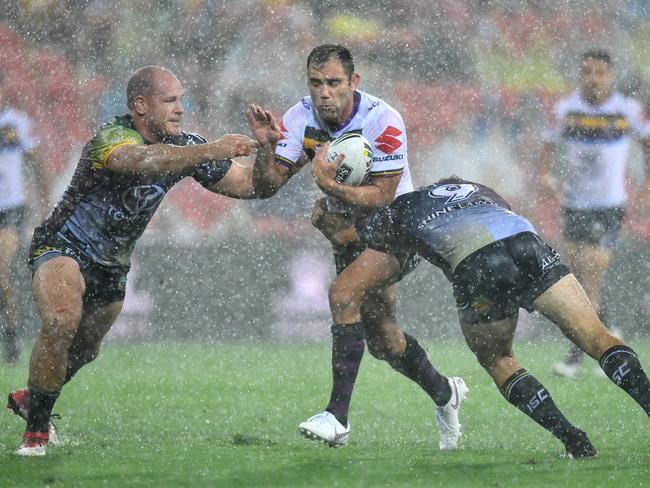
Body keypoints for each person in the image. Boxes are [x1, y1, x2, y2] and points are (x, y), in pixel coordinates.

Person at [309, 163, 650, 458]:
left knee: (499, 359)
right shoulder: (484, 191)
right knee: (597, 336)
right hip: (528, 243)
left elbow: (345, 236)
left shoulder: (406, 205)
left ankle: (574, 441)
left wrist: (326, 205)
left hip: (478, 265)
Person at [6, 66, 261, 457]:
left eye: (181, 100)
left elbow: (251, 186)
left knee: (87, 349)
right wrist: (213, 148)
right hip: (63, 244)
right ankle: (36, 434)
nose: (180, 109)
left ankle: (31, 399)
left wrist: (279, 152)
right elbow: (137, 162)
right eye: (170, 100)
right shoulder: (112, 136)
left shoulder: (185, 146)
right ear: (141, 105)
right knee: (61, 321)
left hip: (111, 264)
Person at [246, 44, 467, 450]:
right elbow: (265, 186)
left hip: (399, 227)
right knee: (383, 339)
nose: (324, 93)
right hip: (347, 233)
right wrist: (265, 148)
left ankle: (337, 418)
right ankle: (445, 392)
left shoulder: (382, 120)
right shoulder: (299, 118)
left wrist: (329, 186)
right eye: (316, 83)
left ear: (354, 83)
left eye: (333, 83)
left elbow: (384, 195)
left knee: (342, 294)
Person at [538, 50, 650, 377]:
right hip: (574, 203)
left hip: (609, 204)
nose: (593, 78)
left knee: (592, 269)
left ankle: (579, 353)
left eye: (600, 72)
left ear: (611, 76)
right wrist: (545, 175)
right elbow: (547, 146)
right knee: (579, 277)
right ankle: (611, 330)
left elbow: (646, 142)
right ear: (579, 74)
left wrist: (644, 187)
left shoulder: (627, 110)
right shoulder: (565, 110)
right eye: (587, 71)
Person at [0, 73, 50, 364]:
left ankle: (10, 336)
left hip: (10, 208)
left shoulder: (14, 122)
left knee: (1, 271)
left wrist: (45, 206)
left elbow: (38, 162)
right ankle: (10, 330)